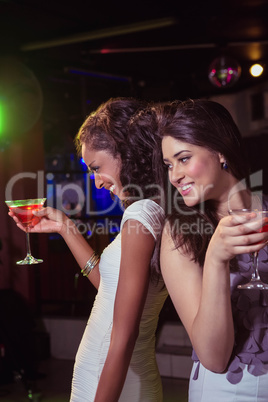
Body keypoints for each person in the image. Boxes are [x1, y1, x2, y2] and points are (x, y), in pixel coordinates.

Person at [8, 98, 168, 401]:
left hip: (113, 383)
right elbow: (109, 289)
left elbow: (123, 336)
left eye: (97, 168)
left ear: (126, 153)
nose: (95, 183)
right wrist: (65, 227)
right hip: (122, 377)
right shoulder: (152, 210)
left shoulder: (139, 215)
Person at [153, 99, 268, 401]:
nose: (174, 175)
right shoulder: (179, 233)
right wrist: (216, 259)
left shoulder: (264, 213)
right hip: (231, 390)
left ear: (220, 151)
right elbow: (214, 357)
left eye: (184, 158)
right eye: (169, 164)